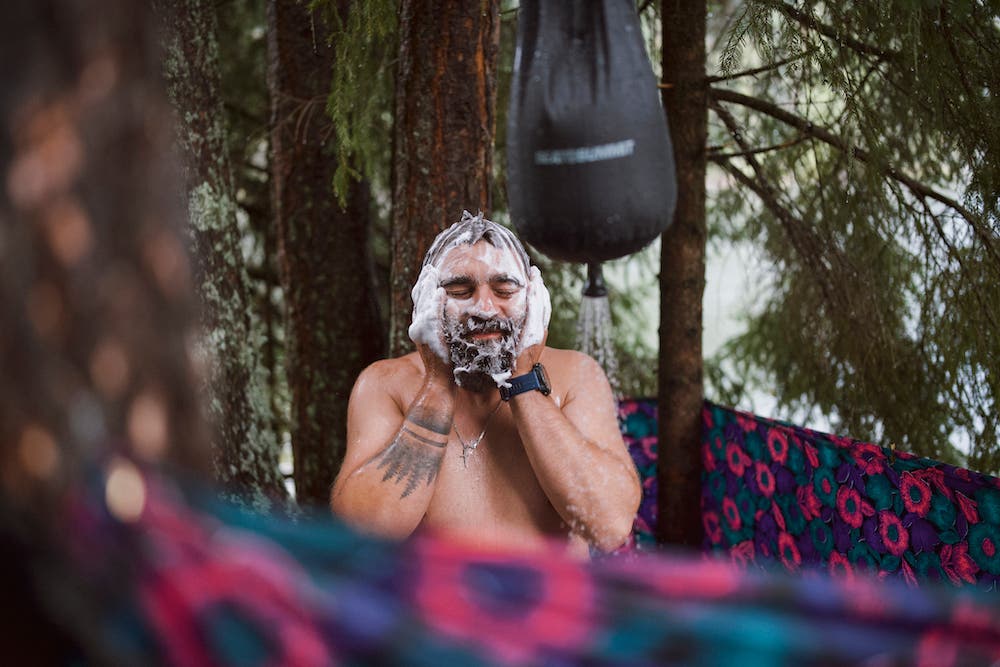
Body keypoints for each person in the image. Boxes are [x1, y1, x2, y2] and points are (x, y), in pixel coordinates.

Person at [331, 211, 640, 556]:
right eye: (460, 290)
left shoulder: (575, 376)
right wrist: (437, 385)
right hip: (430, 593)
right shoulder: (386, 385)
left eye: (504, 290)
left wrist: (523, 379)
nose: (485, 308)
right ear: (427, 300)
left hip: (548, 592)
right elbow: (363, 533)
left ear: (534, 298)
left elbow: (609, 527)